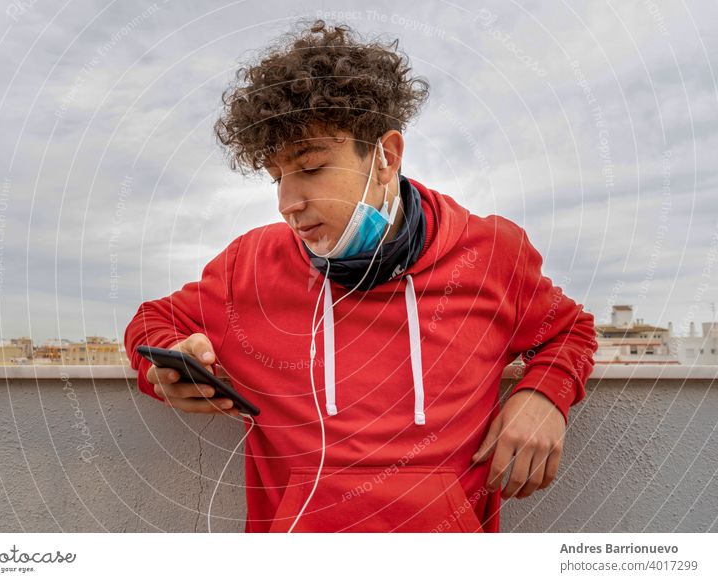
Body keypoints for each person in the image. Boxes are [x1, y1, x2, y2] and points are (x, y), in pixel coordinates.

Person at [124, 19, 598, 533]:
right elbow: (153, 321)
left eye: (309, 167)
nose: (288, 203)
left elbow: (569, 330)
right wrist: (168, 374)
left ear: (385, 157)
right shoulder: (249, 264)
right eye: (277, 178)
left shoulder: (491, 253)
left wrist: (545, 394)